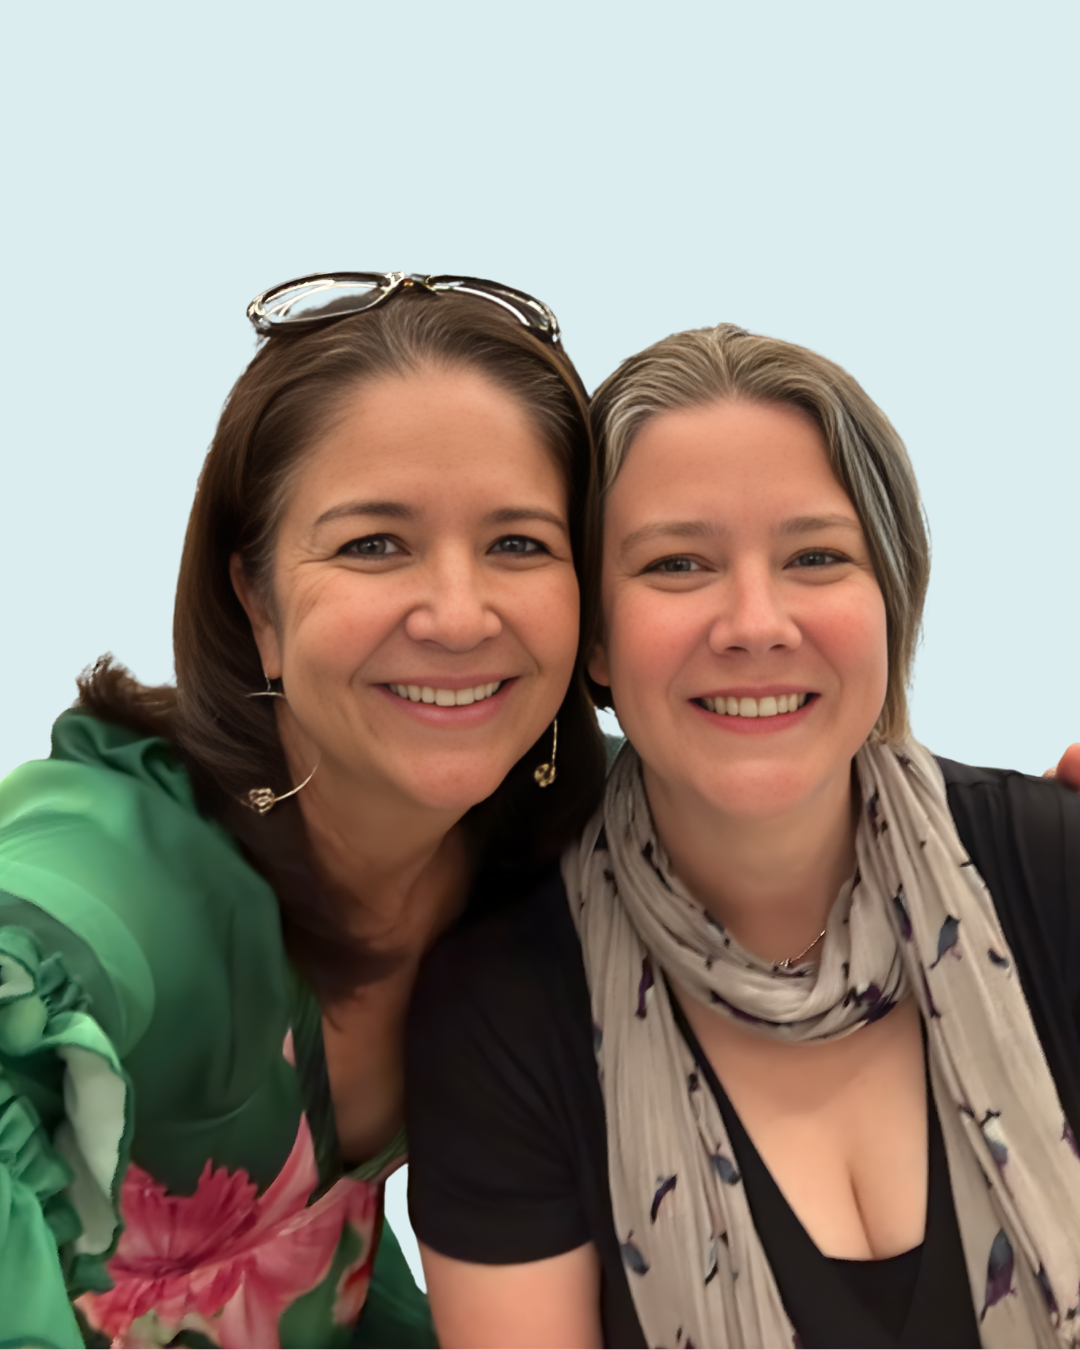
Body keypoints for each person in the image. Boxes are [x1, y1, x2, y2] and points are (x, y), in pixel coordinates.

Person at [407, 322, 1080, 1348]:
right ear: (591, 637)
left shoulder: (1059, 872)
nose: (755, 623)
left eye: (816, 555)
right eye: (678, 564)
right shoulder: (502, 1010)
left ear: (892, 602)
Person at [0, 272, 607, 1348]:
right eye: (375, 543)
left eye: (519, 543)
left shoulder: (552, 837)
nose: (460, 615)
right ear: (257, 601)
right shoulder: (130, 865)